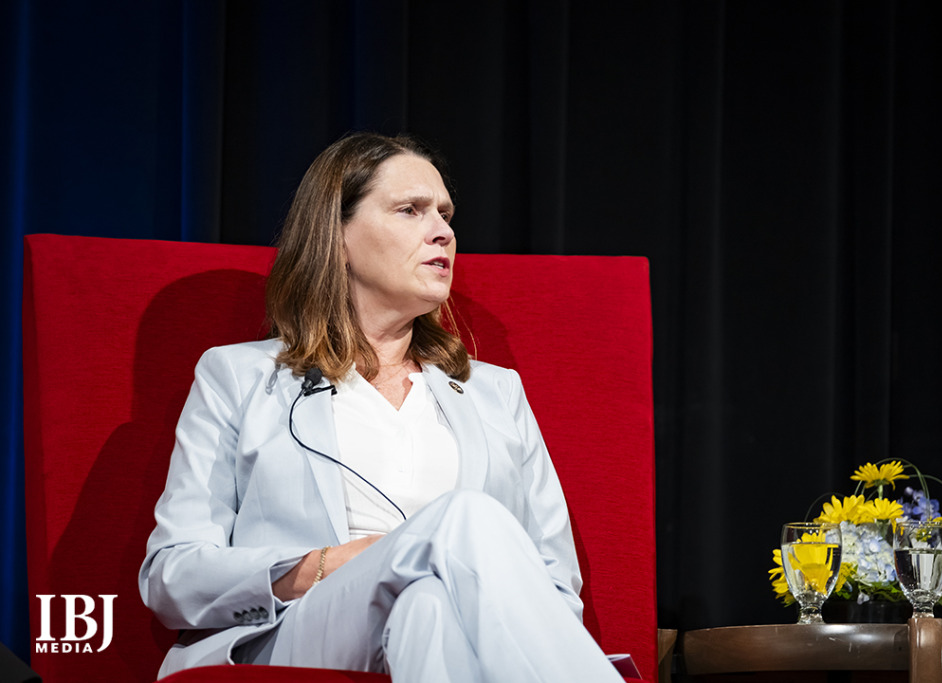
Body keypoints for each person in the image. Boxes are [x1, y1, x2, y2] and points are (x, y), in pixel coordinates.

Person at [138, 132, 623, 682]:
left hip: (446, 627)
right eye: (410, 210)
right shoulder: (238, 376)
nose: (443, 232)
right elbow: (172, 575)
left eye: (445, 214)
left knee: (427, 608)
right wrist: (320, 566)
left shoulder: (495, 391)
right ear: (337, 236)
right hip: (299, 630)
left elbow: (555, 580)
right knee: (466, 517)